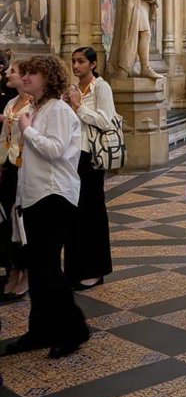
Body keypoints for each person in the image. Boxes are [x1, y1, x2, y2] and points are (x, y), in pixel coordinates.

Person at [1, 56, 89, 358]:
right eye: (23, 73)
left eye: (31, 73)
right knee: (38, 271)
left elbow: (56, 151)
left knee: (48, 269)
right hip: (35, 197)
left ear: (48, 77)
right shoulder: (37, 109)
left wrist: (28, 131)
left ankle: (73, 330)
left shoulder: (59, 110)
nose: (24, 78)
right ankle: (39, 331)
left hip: (55, 197)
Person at [63, 47, 116, 291]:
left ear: (93, 64)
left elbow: (106, 120)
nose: (75, 66)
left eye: (81, 61)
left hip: (92, 157)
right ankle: (74, 268)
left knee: (92, 212)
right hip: (72, 156)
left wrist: (78, 107)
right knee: (73, 214)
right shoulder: (72, 89)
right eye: (73, 61)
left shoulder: (101, 87)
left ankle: (95, 270)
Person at [0, 59, 30, 301]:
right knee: (8, 221)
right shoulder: (12, 102)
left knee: (23, 222)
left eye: (13, 71)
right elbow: (4, 137)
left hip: (26, 168)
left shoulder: (34, 105)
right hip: (8, 166)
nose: (7, 73)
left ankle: (27, 272)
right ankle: (13, 268)